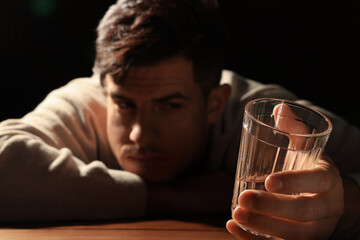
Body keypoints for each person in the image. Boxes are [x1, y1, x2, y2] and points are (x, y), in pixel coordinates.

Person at [0, 0, 359, 238]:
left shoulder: (267, 117)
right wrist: (173, 198)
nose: (140, 134)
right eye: (124, 105)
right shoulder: (86, 100)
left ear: (216, 103)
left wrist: (346, 205)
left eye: (170, 106)